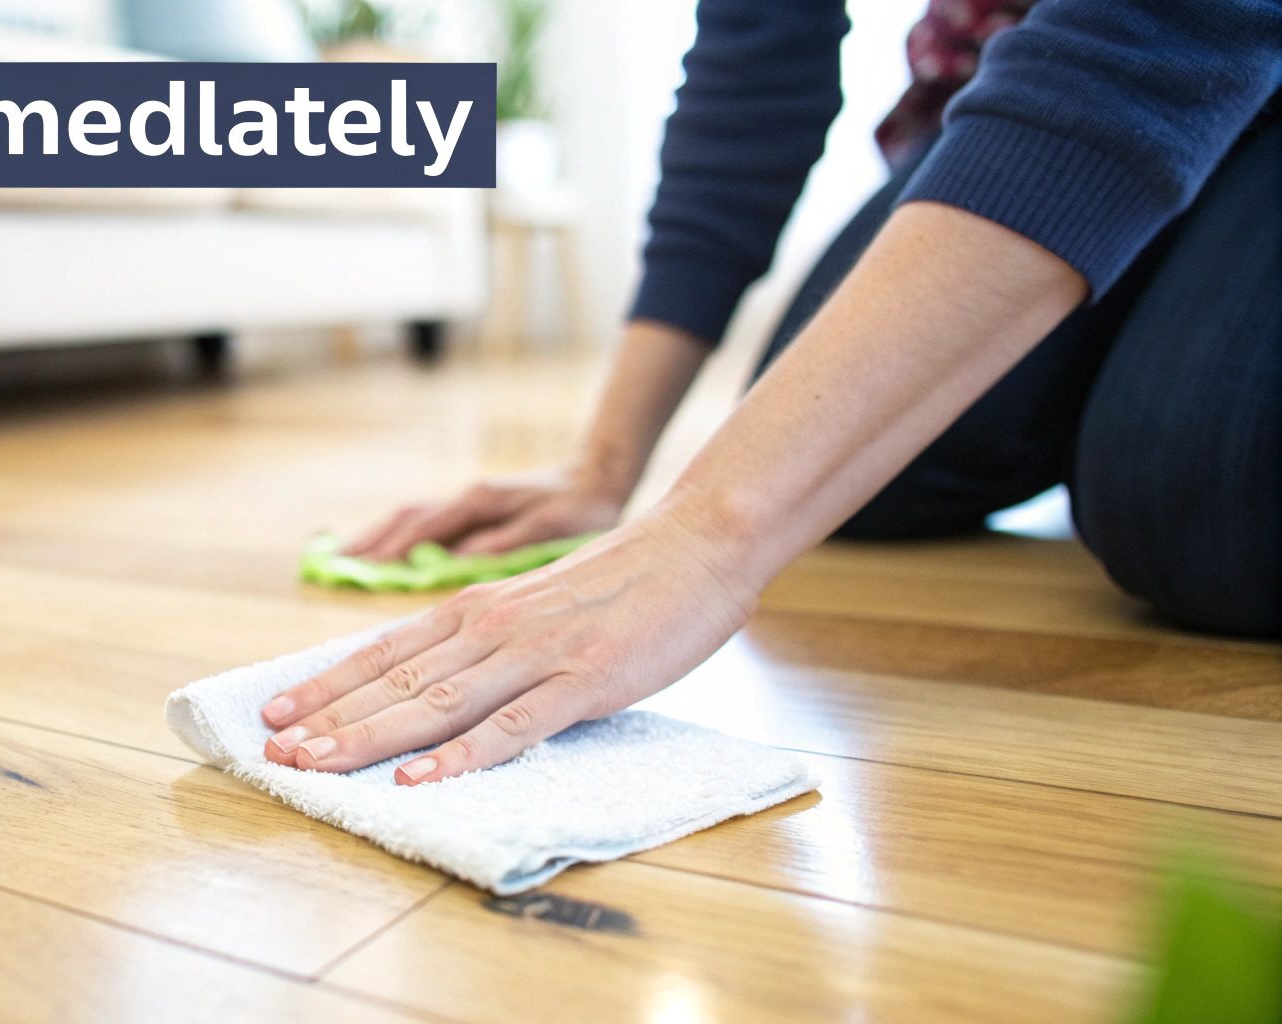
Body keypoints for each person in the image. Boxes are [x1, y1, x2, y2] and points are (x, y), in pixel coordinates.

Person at [256, 0, 1282, 785]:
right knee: (865, 478)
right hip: (1022, 73)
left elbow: (1163, 31)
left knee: (1198, 503)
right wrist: (605, 467)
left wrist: (705, 537)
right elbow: (752, 72)